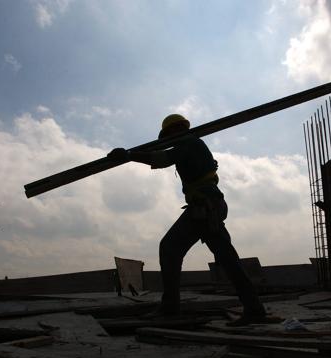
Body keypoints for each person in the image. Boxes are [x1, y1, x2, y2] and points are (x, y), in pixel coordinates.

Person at [108, 114, 266, 325]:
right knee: (228, 260)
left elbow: (162, 158)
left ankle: (170, 308)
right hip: (211, 206)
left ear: (175, 131)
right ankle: (254, 309)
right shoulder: (192, 145)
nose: (168, 139)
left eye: (168, 135)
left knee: (169, 248)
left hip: (204, 206)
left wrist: (129, 155)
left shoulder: (189, 143)